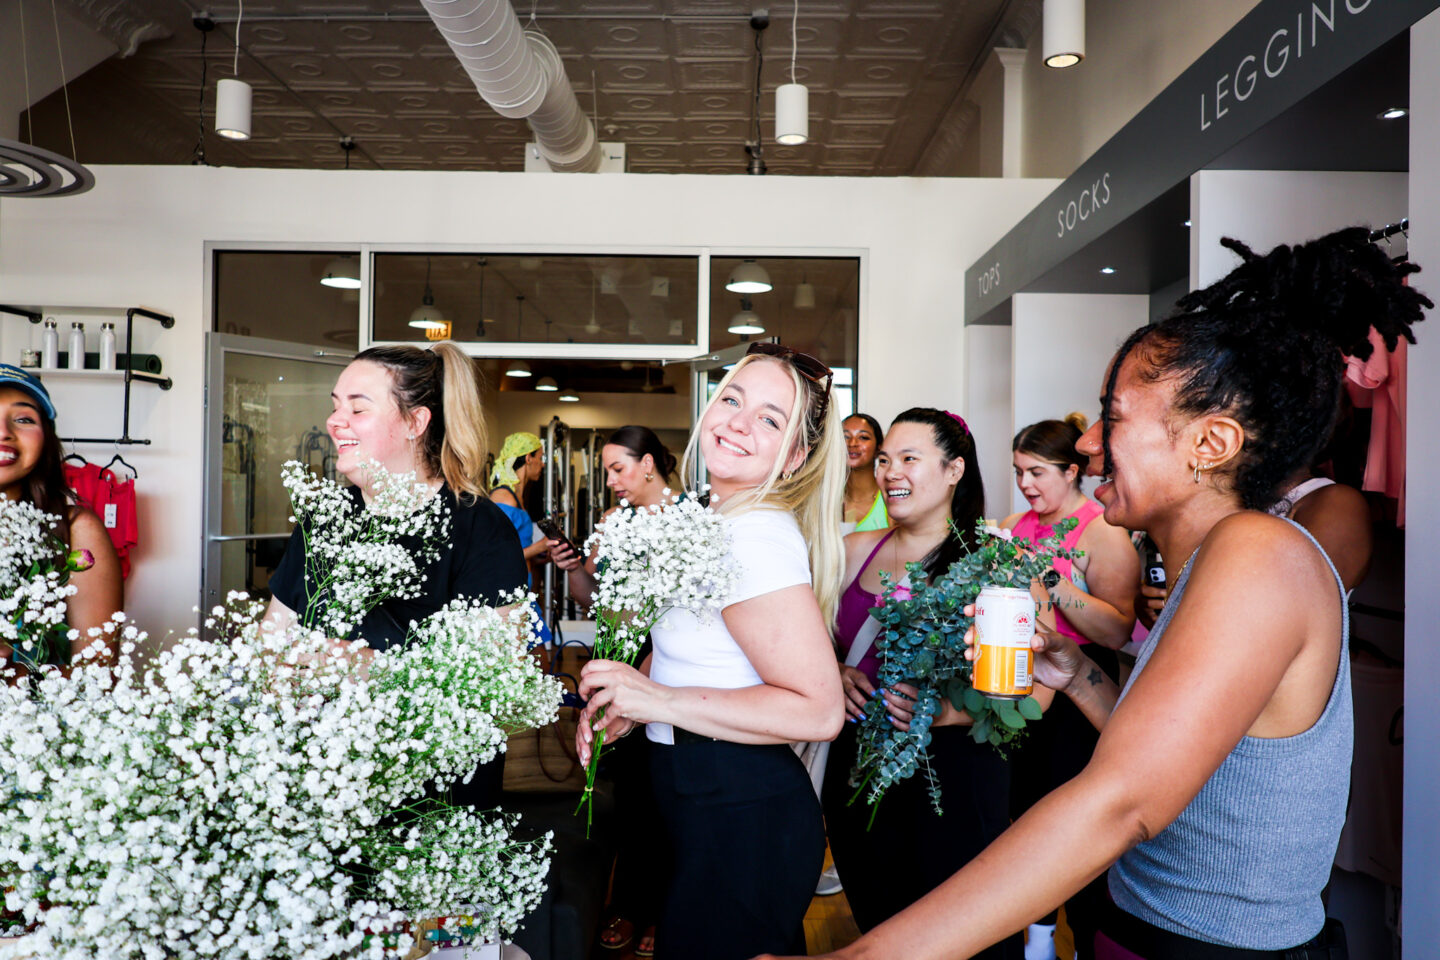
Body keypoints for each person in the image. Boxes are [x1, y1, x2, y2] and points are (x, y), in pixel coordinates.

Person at [757, 228, 1427, 960]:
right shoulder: (1216, 560)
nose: (1086, 444)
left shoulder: (1258, 552)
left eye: (1114, 417)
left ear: (1211, 445)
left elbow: (1122, 803)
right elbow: (1183, 766)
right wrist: (1075, 673)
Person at [576, 342, 847, 960]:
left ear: (795, 455)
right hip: (702, 795)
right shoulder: (716, 521)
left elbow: (820, 710)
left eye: (770, 419)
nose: (738, 423)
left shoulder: (754, 537)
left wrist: (657, 699)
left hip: (742, 810)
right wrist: (634, 703)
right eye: (732, 400)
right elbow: (693, 645)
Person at [265, 342, 528, 808]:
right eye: (335, 405)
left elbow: (494, 691)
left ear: (415, 422)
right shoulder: (323, 519)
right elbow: (273, 640)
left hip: (434, 804)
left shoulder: (480, 529)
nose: (334, 421)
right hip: (323, 794)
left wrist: (358, 664)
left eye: (357, 408)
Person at [821, 408, 1025, 958]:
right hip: (859, 770)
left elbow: (1039, 688)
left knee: (968, 932)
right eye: (885, 460)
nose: (891, 472)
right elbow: (811, 644)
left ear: (955, 470)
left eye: (909, 459)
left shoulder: (995, 561)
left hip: (956, 775)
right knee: (880, 922)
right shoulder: (852, 552)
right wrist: (835, 670)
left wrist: (946, 713)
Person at [1002, 414, 1139, 960]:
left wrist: (1050, 579)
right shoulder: (1012, 525)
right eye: (1019, 472)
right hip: (1021, 684)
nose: (1026, 484)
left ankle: (1082, 939)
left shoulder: (1102, 528)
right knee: (1022, 814)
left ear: (1071, 471)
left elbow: (1118, 629)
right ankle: (1035, 939)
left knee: (1073, 820)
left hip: (1080, 690)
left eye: (1037, 472)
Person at [548, 424, 677, 959]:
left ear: (648, 464)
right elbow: (591, 598)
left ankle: (662, 909)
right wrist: (573, 569)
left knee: (662, 787)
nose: (611, 481)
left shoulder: (687, 520)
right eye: (606, 472)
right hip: (614, 656)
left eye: (618, 468)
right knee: (623, 789)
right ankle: (626, 901)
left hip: (664, 663)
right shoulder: (612, 521)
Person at [0, 365, 122, 664]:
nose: (3, 432)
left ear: (46, 438)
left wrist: (16, 674)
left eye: (23, 419)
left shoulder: (77, 530)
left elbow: (97, 675)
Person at [490, 431, 552, 568]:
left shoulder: (517, 497)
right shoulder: (503, 498)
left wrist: (545, 556)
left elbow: (518, 552)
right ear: (528, 458)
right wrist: (542, 545)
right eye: (540, 458)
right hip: (508, 580)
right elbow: (499, 555)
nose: (543, 464)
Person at [841, 413, 888, 535]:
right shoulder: (824, 498)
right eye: (845, 437)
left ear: (879, 448)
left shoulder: (889, 500)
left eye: (863, 437)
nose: (852, 443)